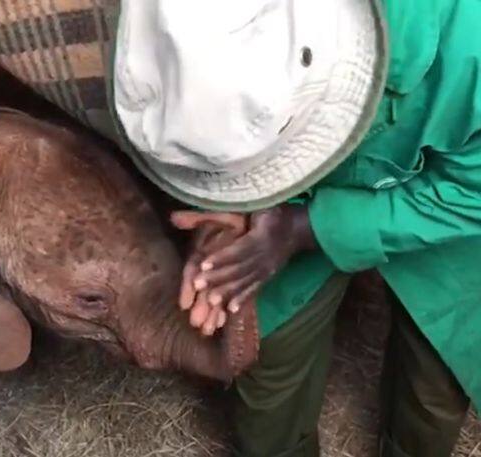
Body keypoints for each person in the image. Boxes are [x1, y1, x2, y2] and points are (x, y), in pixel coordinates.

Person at [108, 1, 481, 456]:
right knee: (267, 370)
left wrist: (307, 228)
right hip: (280, 213)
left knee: (436, 386)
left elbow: (471, 194)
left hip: (448, 203)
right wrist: (228, 213)